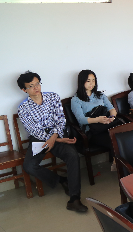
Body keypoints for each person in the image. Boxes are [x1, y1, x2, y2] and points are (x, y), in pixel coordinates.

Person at [17, 71, 87, 212]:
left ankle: (74, 199)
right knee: (29, 166)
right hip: (40, 138)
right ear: (24, 90)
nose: (36, 88)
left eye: (37, 83)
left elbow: (60, 120)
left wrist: (55, 137)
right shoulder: (23, 108)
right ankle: (60, 180)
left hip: (57, 133)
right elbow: (34, 130)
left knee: (72, 155)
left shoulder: (53, 97)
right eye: (31, 86)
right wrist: (57, 139)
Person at [71, 70, 120, 153]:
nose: (91, 83)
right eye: (88, 81)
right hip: (93, 131)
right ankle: (117, 161)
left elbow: (111, 109)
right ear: (82, 82)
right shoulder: (76, 99)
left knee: (124, 136)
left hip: (108, 124)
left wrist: (112, 117)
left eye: (93, 80)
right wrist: (98, 120)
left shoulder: (100, 95)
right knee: (114, 142)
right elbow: (81, 119)